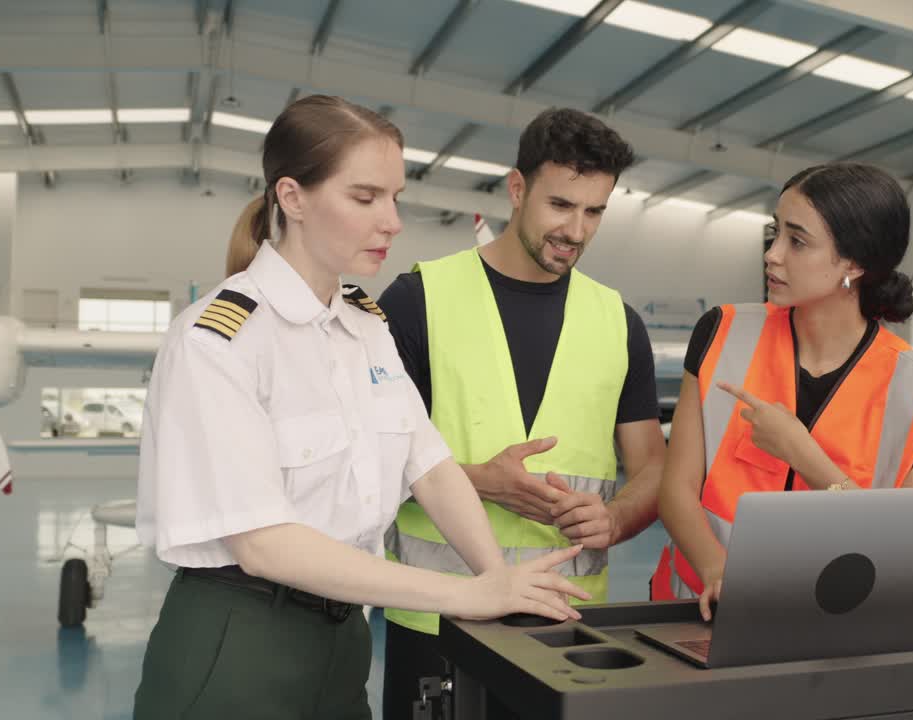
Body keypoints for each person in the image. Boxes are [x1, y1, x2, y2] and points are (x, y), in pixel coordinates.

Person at [131, 95, 589, 720]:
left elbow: (430, 467)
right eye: (365, 197)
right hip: (237, 638)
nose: (392, 221)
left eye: (395, 197)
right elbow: (264, 545)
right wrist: (466, 595)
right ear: (292, 198)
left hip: (343, 641)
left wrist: (497, 581)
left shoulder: (365, 327)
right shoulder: (218, 339)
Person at [376, 107, 666, 717]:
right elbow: (368, 462)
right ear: (516, 189)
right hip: (439, 621)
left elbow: (653, 470)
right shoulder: (417, 300)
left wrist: (614, 519)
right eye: (560, 205)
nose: (576, 230)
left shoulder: (618, 322)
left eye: (594, 212)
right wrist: (480, 481)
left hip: (568, 627)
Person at [651, 163, 913, 621]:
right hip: (696, 616)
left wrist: (805, 456)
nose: (772, 255)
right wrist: (718, 572)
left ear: (854, 263)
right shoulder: (721, 333)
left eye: (796, 241)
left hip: (834, 626)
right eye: (775, 233)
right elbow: (676, 489)